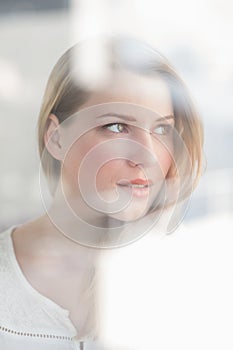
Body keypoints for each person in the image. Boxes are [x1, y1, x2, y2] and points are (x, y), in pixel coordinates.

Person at [0, 36, 203, 349]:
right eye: (117, 127)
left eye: (162, 129)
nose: (147, 156)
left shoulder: (194, 277)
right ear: (56, 139)